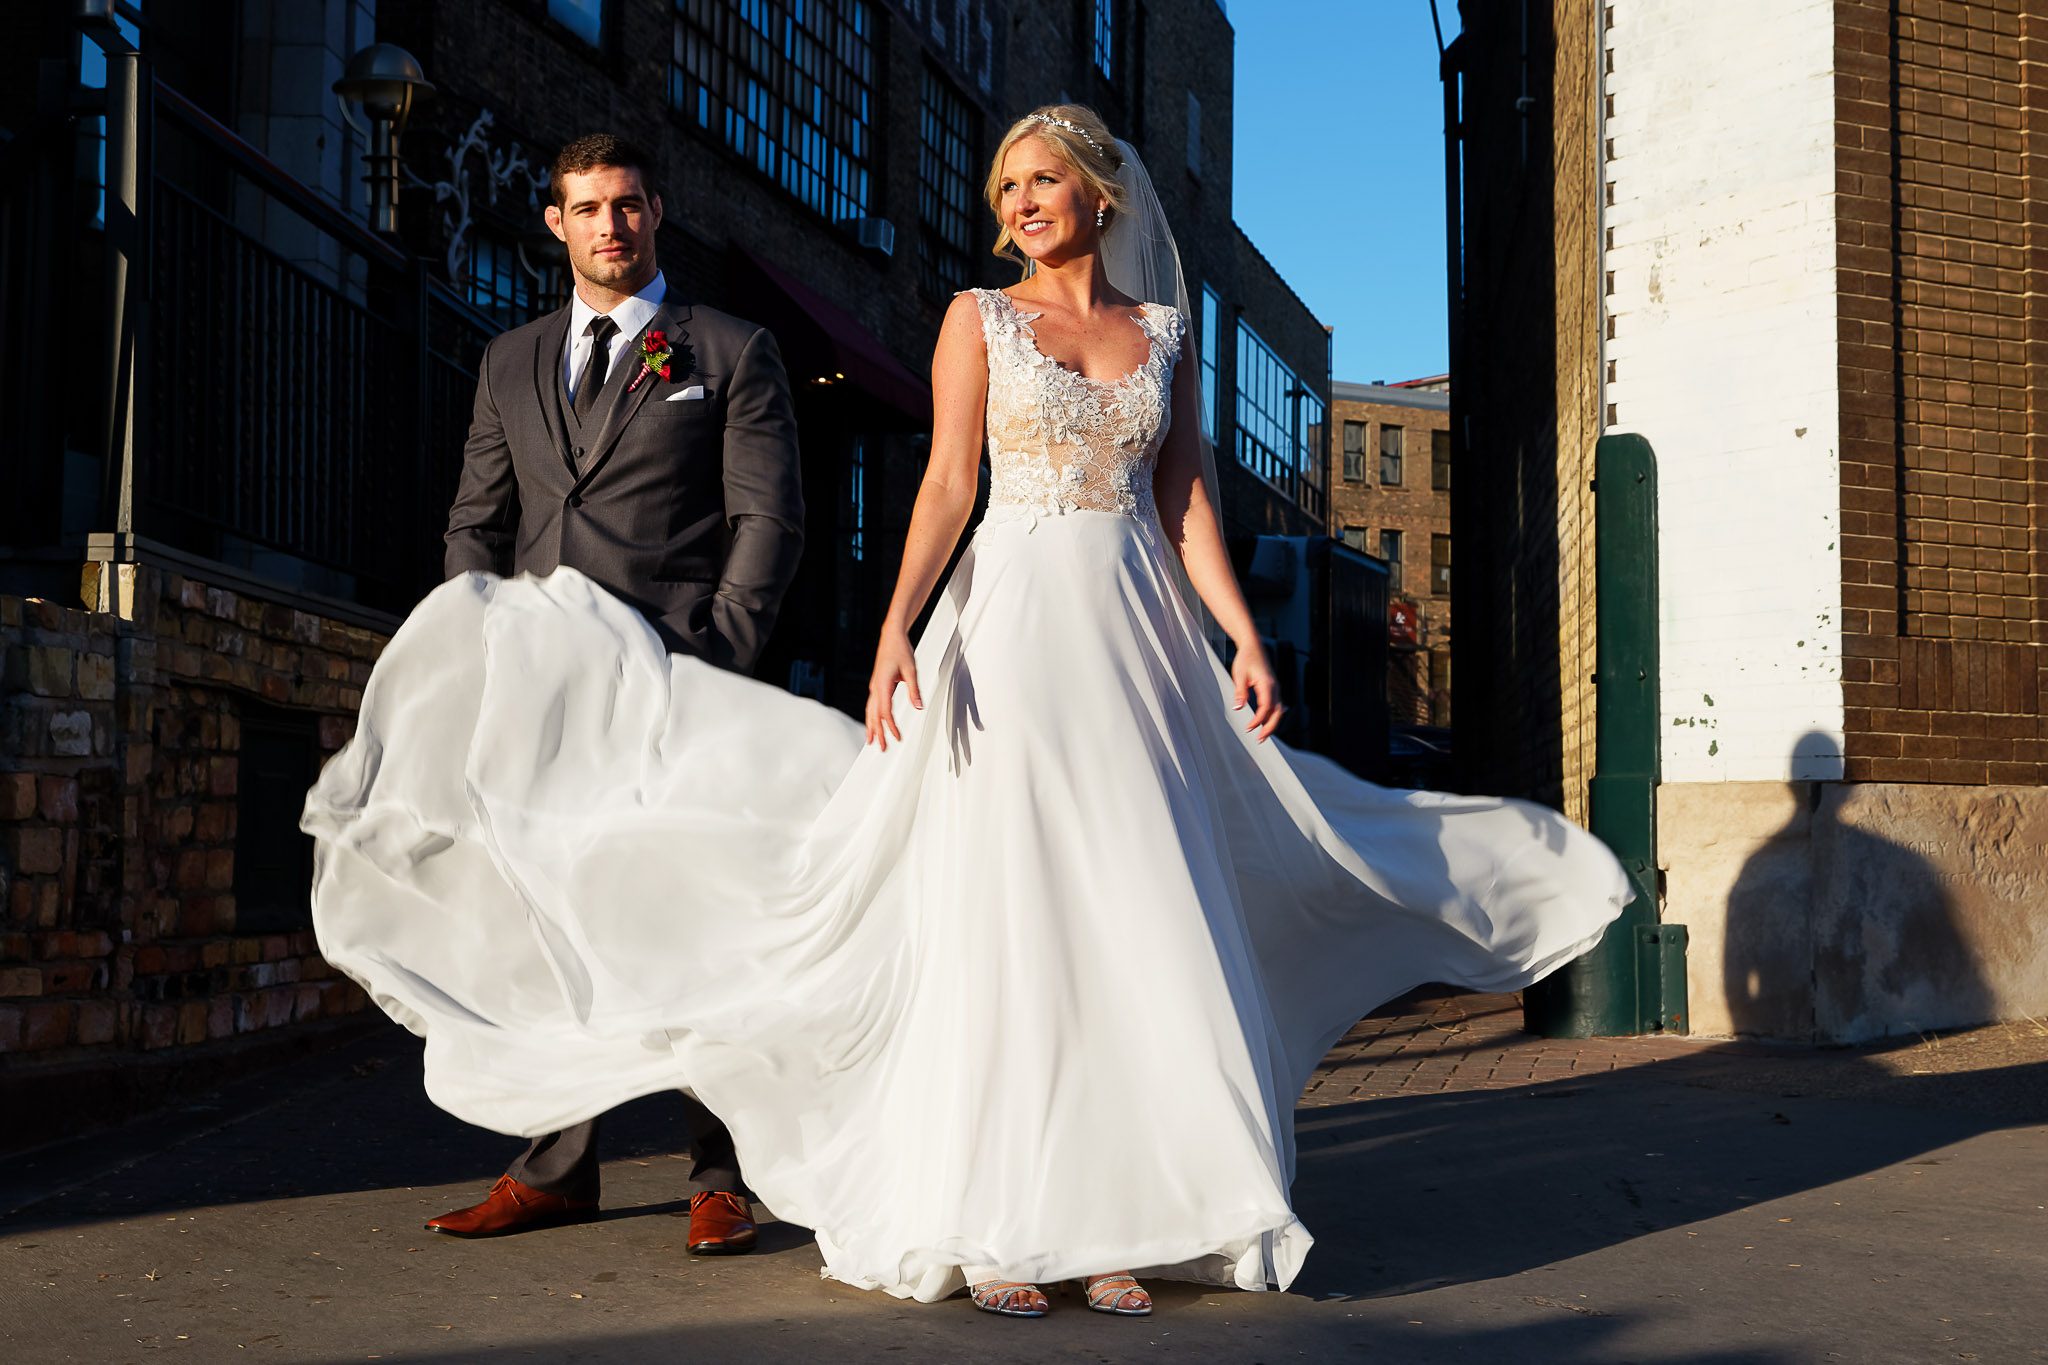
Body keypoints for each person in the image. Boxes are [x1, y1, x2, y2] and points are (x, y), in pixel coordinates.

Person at [304, 105, 1627, 1320]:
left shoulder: (1165, 336)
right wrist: (895, 629)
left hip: (1132, 647)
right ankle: (984, 1216)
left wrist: (1240, 635)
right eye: (1008, 187)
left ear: (1101, 195)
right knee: (1000, 912)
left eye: (1044, 180)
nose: (1024, 201)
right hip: (1001, 635)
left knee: (1126, 912)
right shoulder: (973, 320)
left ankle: (1114, 1219)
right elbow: (945, 486)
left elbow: (1183, 500)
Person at [411, 131, 804, 1255]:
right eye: (586, 208)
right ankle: (555, 1170)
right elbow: (477, 521)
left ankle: (722, 1174)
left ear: (656, 211)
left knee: (693, 925)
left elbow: (768, 520)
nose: (609, 226)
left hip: (681, 680)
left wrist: (715, 652)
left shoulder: (727, 350)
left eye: (626, 205)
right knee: (554, 927)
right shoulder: (510, 360)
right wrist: (477, 647)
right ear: (556, 223)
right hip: (543, 692)